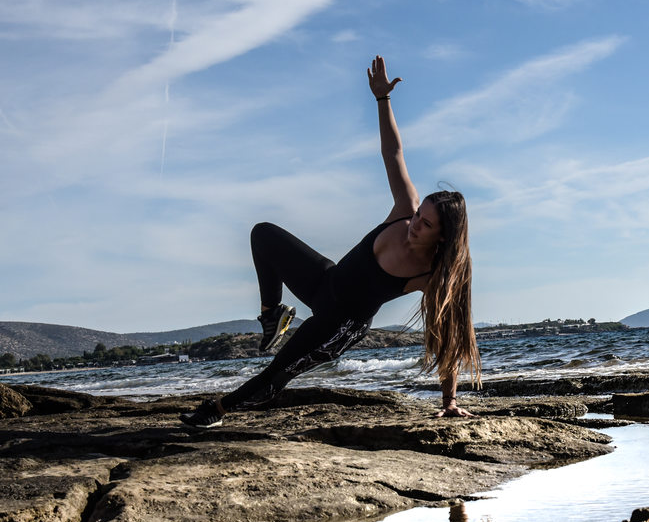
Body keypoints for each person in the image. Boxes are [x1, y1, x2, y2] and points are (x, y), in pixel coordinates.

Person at [180, 56, 481, 428]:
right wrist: (382, 101)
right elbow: (393, 154)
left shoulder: (433, 273)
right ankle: (272, 316)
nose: (414, 224)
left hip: (342, 323)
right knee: (263, 234)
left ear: (443, 236)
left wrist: (449, 399)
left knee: (277, 374)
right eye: (419, 217)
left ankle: (215, 412)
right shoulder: (405, 209)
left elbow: (449, 337)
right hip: (326, 282)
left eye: (425, 225)